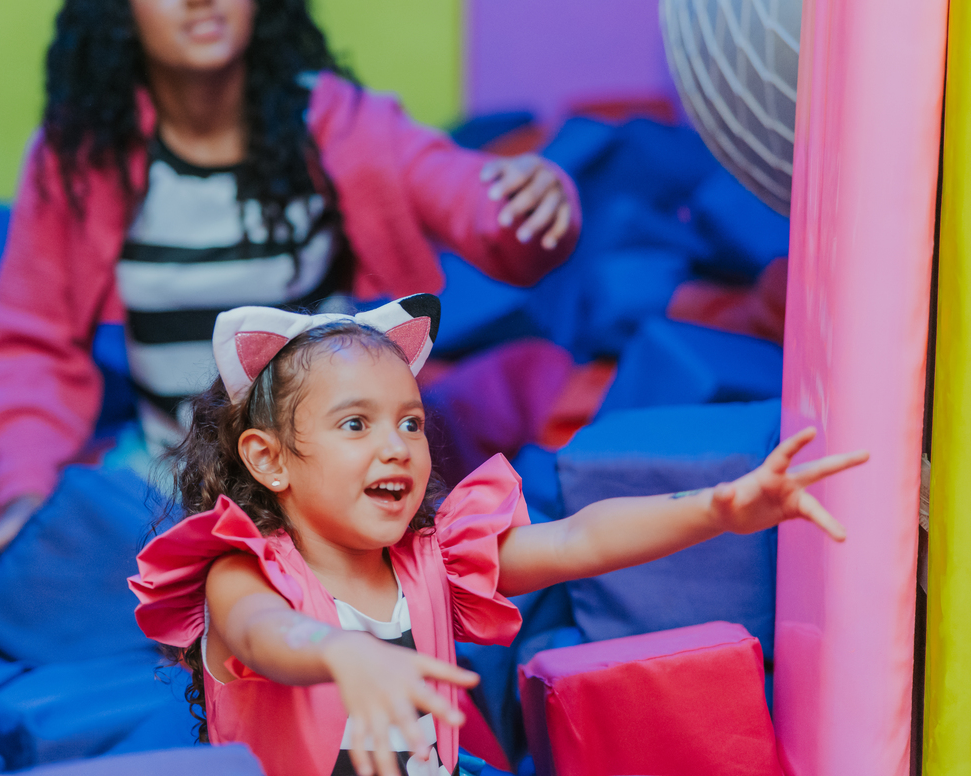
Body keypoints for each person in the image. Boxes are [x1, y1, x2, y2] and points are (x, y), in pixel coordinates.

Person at [0, 0, 580, 608]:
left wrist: (531, 204)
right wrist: (26, 500)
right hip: (173, 481)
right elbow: (32, 342)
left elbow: (478, 207)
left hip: (333, 477)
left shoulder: (339, 125)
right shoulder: (83, 156)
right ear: (120, 9)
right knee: (30, 599)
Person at [128, 295, 868, 776]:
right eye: (356, 424)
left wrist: (715, 508)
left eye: (410, 423)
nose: (396, 448)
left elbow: (579, 541)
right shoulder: (245, 571)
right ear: (269, 458)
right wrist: (341, 651)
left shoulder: (431, 561)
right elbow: (264, 636)